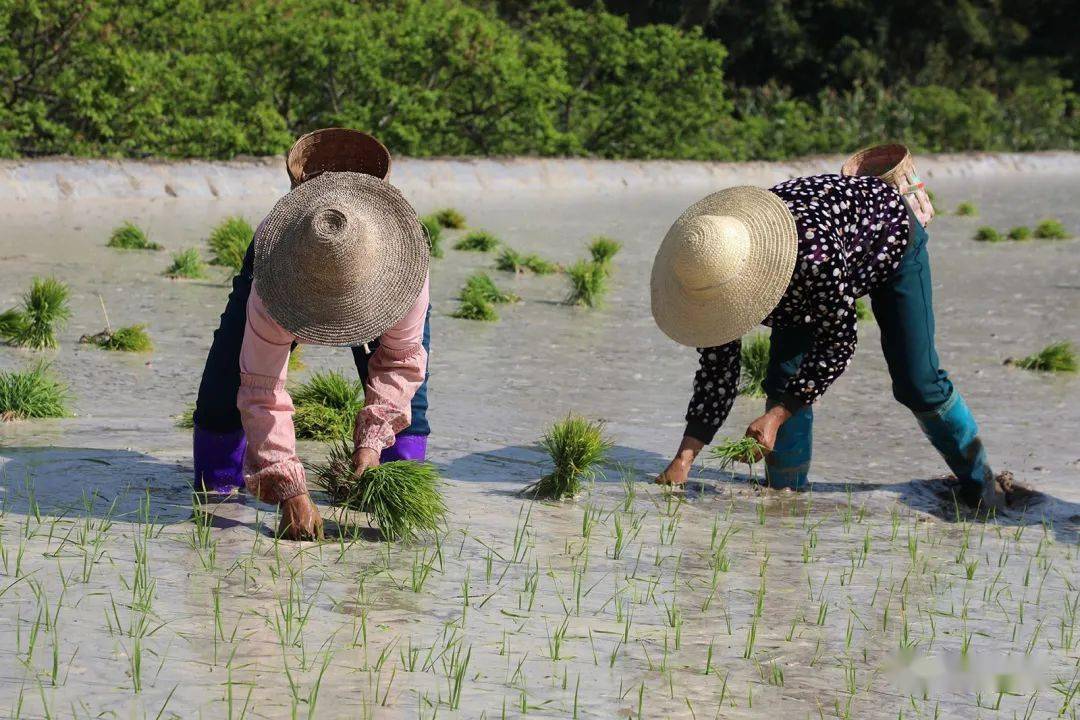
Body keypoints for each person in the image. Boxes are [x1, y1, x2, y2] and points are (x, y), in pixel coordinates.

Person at [650, 156, 1019, 512]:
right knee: (783, 379)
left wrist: (777, 417)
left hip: (889, 237)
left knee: (917, 383)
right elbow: (718, 374)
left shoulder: (813, 257)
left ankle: (985, 489)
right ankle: (784, 497)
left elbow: (838, 343)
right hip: (818, 261)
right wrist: (684, 459)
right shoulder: (713, 276)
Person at [191, 129, 431, 539]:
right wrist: (290, 490)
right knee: (226, 382)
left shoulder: (403, 267)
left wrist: (372, 442)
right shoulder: (275, 276)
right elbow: (263, 387)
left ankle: (393, 483)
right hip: (286, 261)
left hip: (379, 264)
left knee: (407, 412)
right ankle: (220, 488)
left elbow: (399, 361)